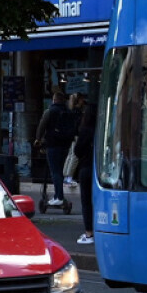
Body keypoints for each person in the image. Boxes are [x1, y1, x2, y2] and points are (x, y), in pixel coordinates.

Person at [33, 95, 74, 207]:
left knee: (55, 171)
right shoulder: (68, 112)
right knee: (59, 170)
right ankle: (57, 195)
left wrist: (38, 139)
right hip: (65, 145)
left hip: (53, 145)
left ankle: (59, 196)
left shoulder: (50, 111)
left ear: (54, 100)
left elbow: (42, 126)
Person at [73, 94, 97, 245]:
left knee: (86, 202)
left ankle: (89, 233)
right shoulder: (101, 131)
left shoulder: (85, 131)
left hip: (86, 167)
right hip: (98, 170)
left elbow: (77, 151)